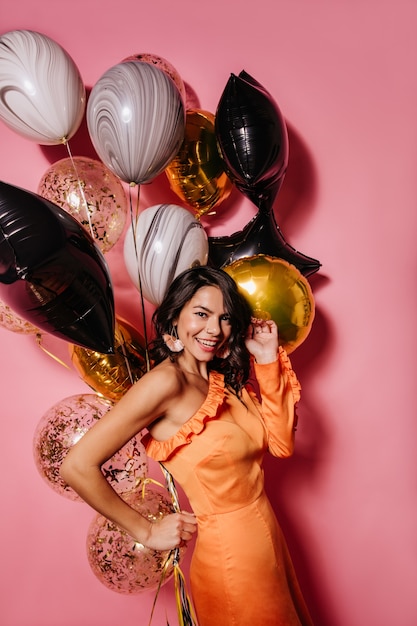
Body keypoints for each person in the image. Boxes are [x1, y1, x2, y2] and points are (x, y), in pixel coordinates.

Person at [61, 265, 313, 626]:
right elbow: (76, 465)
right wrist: (146, 531)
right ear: (175, 319)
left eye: (224, 317)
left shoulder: (218, 378)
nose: (214, 329)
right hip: (232, 559)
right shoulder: (164, 383)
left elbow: (280, 443)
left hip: (266, 542)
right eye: (201, 314)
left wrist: (267, 359)